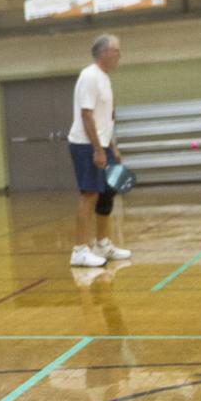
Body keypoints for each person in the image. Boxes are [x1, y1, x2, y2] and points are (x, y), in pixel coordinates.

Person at [67, 34, 132, 268]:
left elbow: (106, 118)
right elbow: (86, 116)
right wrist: (97, 149)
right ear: (103, 53)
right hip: (86, 145)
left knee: (106, 193)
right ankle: (79, 250)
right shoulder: (89, 76)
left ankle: (102, 244)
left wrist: (112, 148)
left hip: (102, 145)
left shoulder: (104, 79)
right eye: (116, 51)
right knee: (89, 195)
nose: (119, 55)